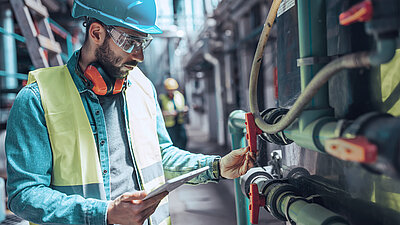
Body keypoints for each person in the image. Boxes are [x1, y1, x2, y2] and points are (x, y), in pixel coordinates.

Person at [5, 0, 255, 225]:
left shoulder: (142, 87)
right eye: (130, 41)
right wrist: (105, 214)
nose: (140, 55)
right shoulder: (37, 99)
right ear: (96, 33)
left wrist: (215, 167)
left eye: (144, 42)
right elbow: (24, 194)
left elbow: (161, 156)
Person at [159, 78, 188, 149]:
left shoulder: (180, 96)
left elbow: (186, 106)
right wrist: (169, 113)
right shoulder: (162, 98)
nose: (171, 92)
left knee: (183, 140)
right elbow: (158, 113)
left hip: (180, 123)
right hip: (169, 126)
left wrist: (184, 110)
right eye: (169, 90)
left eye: (173, 89)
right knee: (173, 143)